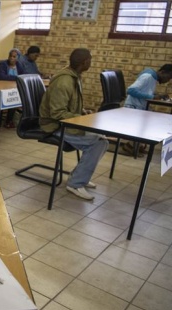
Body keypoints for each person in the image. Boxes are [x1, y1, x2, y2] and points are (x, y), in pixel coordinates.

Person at [39, 48, 109, 201]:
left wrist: (82, 111)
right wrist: (79, 119)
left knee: (101, 138)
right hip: (55, 126)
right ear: (84, 62)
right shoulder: (64, 81)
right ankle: (76, 183)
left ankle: (79, 176)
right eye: (90, 60)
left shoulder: (74, 76)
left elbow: (69, 105)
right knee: (98, 142)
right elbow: (57, 113)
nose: (91, 62)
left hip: (66, 123)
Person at [121, 64, 172, 156]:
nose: (168, 80)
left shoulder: (153, 78)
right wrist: (153, 96)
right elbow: (131, 90)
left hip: (139, 107)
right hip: (133, 107)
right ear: (162, 72)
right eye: (169, 77)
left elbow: (144, 91)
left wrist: (157, 95)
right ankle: (129, 146)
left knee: (153, 118)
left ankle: (138, 145)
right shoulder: (148, 77)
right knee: (150, 121)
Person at [0, 48, 25, 128]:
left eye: (14, 57)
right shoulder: (3, 64)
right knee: (13, 97)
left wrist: (17, 78)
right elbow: (1, 76)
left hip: (14, 88)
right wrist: (16, 78)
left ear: (17, 58)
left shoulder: (18, 65)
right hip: (3, 89)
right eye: (10, 56)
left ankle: (10, 120)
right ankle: (8, 121)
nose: (11, 58)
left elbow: (23, 75)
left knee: (18, 96)